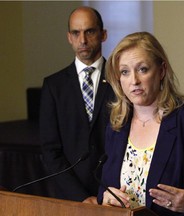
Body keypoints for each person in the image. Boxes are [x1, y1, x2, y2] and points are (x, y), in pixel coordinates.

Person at [97, 32, 184, 215]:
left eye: (143, 69)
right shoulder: (117, 126)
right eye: (125, 72)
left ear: (161, 71)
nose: (134, 80)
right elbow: (105, 187)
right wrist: (104, 198)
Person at [39, 6, 114, 204]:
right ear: (69, 37)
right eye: (76, 33)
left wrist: (107, 194)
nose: (83, 40)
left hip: (114, 194)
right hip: (70, 198)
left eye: (89, 31)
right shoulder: (53, 86)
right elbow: (50, 151)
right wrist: (80, 197)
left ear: (103, 34)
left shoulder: (121, 80)